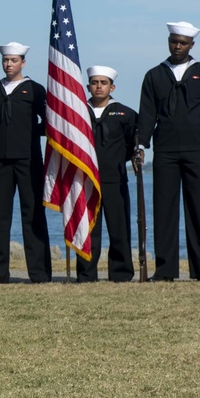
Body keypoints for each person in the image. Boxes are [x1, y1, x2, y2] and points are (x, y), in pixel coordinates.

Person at [137, 21, 200, 282]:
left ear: (192, 45)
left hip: (196, 150)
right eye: (173, 41)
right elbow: (146, 115)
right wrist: (141, 145)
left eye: (182, 43)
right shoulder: (154, 75)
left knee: (198, 209)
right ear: (168, 42)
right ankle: (165, 270)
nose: (177, 46)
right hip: (164, 151)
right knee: (164, 210)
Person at [0, 42, 52, 283]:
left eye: (14, 60)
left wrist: (29, 132)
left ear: (23, 62)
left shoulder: (35, 89)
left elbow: (49, 122)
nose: (9, 64)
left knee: (33, 215)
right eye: (6, 60)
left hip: (29, 159)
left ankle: (39, 273)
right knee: (0, 218)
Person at [76, 66, 137, 283]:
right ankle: (86, 274)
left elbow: (132, 144)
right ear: (88, 86)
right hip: (85, 179)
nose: (98, 86)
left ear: (112, 87)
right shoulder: (78, 111)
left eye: (103, 83)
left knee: (119, 228)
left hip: (115, 178)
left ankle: (120, 273)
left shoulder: (126, 113)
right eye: (94, 82)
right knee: (88, 229)